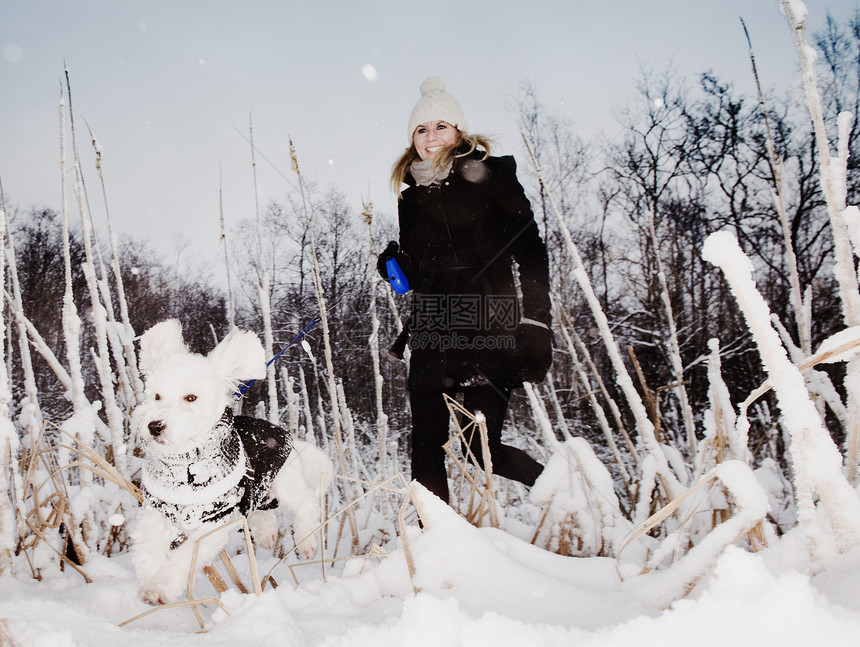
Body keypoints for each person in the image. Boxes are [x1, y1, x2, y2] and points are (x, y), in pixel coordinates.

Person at [377, 77, 553, 503]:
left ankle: (561, 491)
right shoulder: (411, 199)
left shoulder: (491, 177)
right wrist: (394, 266)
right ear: (412, 140)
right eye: (421, 130)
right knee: (426, 446)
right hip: (433, 325)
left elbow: (531, 252)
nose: (431, 137)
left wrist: (535, 322)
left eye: (440, 126)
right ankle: (436, 542)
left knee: (481, 449)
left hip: (489, 323)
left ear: (459, 131)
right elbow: (420, 275)